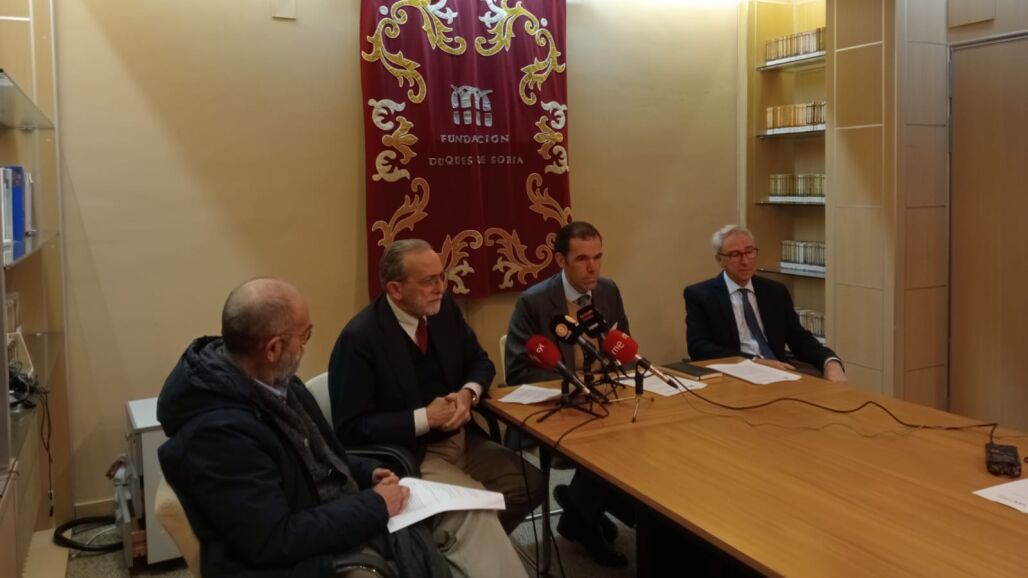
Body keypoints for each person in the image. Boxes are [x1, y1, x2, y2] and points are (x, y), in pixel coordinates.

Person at [156, 278, 508, 577]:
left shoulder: (273, 382)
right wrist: (374, 505)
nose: (306, 344)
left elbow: (315, 456)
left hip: (338, 509)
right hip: (304, 558)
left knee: (470, 514)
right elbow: (273, 540)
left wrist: (366, 471)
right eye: (305, 335)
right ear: (273, 348)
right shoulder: (219, 436)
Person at [328, 240, 543, 564]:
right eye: (429, 281)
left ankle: (449, 555)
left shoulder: (443, 311)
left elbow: (480, 361)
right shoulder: (360, 339)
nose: (441, 288)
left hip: (462, 439)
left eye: (442, 277)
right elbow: (350, 428)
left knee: (530, 484)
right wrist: (425, 418)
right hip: (413, 453)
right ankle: (451, 554)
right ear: (395, 289)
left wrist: (468, 393)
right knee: (476, 508)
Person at [504, 221, 634, 567]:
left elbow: (621, 346)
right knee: (606, 446)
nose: (593, 268)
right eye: (582, 259)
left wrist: (617, 374)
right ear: (561, 260)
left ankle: (579, 509)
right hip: (561, 406)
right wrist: (573, 385)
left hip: (604, 399)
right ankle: (584, 516)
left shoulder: (609, 291)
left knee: (642, 437)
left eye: (598, 257)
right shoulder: (533, 302)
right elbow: (518, 371)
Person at [684, 224, 847, 382]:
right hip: (734, 377)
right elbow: (698, 347)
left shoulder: (775, 291)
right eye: (735, 255)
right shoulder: (701, 295)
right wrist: (753, 361)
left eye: (749, 252)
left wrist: (829, 361)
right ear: (720, 260)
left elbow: (798, 338)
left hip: (779, 372)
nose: (745, 261)